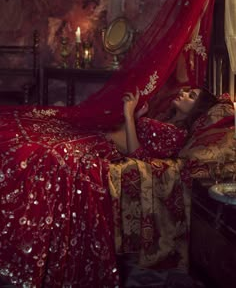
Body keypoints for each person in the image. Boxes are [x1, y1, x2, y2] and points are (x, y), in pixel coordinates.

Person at [0, 87, 218, 288]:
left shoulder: (177, 134)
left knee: (37, 152)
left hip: (103, 147)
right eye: (187, 90)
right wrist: (138, 117)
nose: (184, 93)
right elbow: (141, 138)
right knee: (28, 135)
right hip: (99, 138)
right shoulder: (166, 118)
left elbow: (137, 155)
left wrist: (128, 114)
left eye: (191, 96)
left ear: (197, 109)